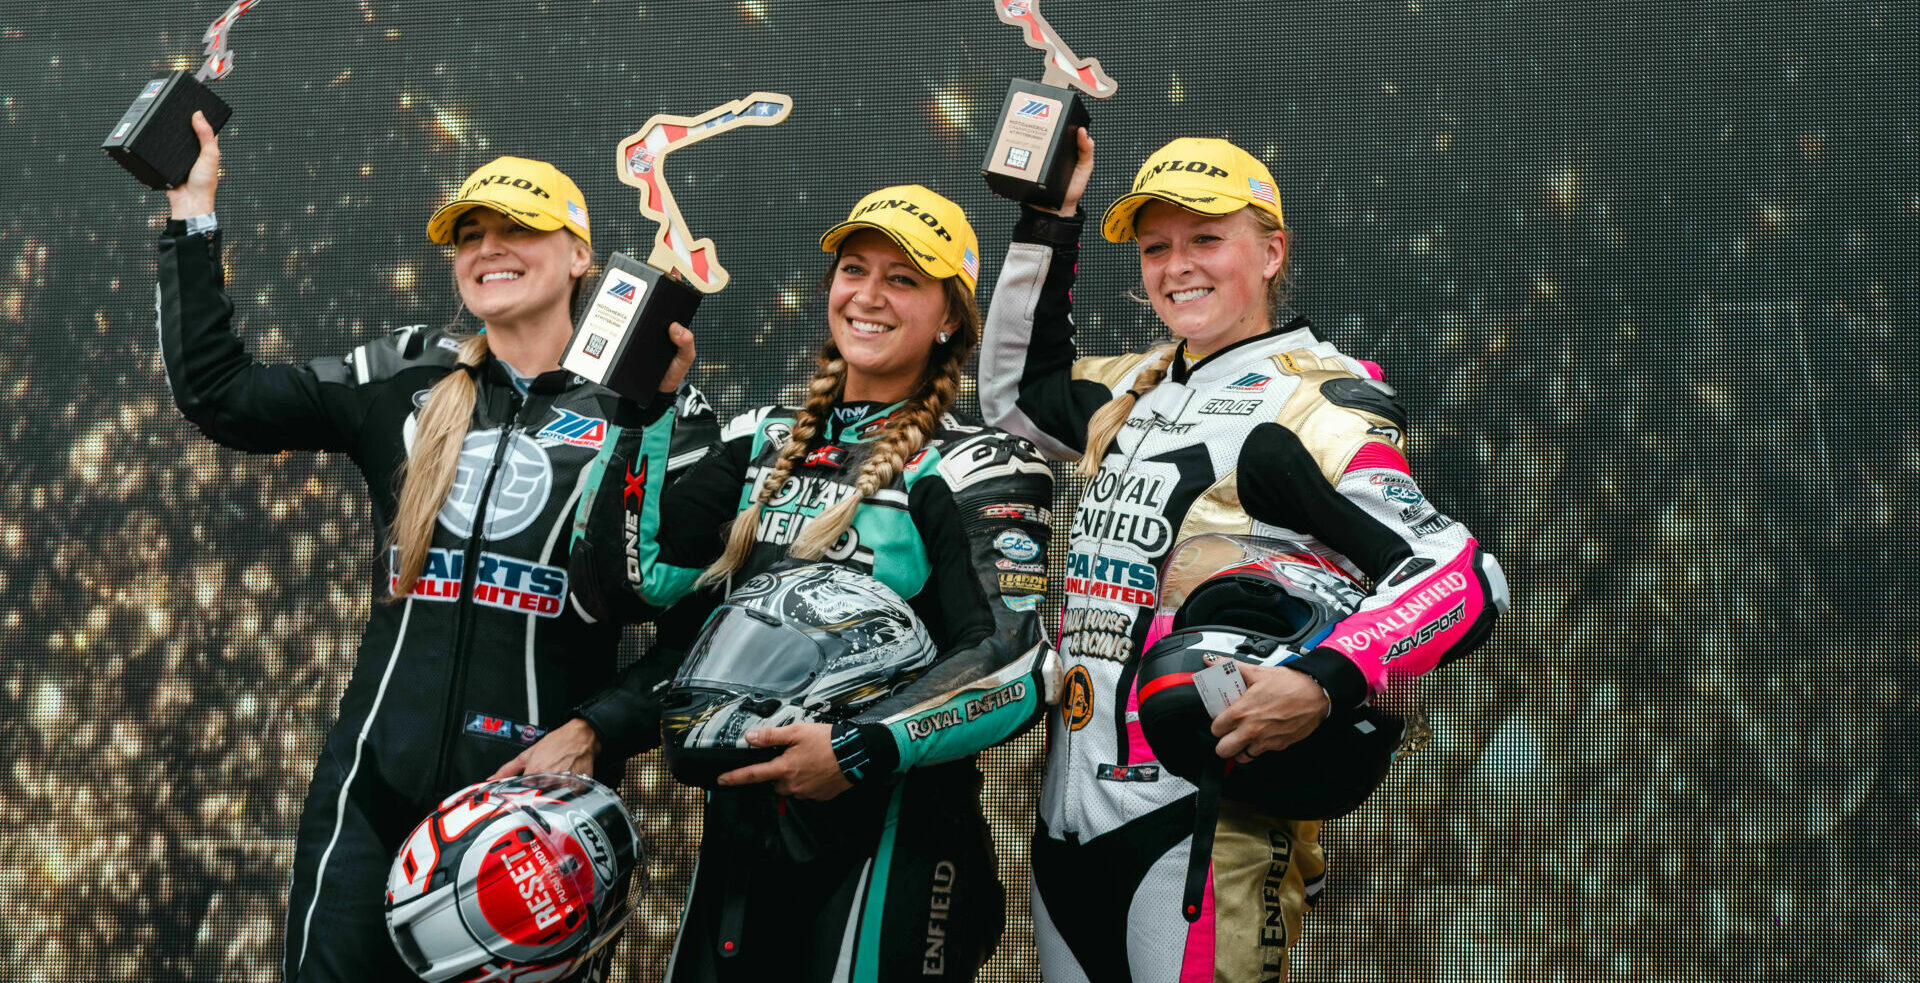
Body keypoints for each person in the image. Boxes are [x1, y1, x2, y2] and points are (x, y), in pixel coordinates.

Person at [154, 112, 714, 981]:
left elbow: (702, 626)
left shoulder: (653, 408)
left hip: (534, 817)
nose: (490, 248)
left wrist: (597, 730)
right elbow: (221, 395)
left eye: (519, 229)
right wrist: (193, 210)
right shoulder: (410, 373)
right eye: (470, 234)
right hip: (368, 793)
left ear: (579, 255)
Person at [978, 133, 1510, 981]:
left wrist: (1325, 678)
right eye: (1157, 247)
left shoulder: (1323, 396)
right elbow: (1012, 394)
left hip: (1208, 815)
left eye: (1205, 239)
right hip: (1069, 816)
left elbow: (1462, 576)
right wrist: (1052, 219)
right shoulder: (1134, 385)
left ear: (1270, 251)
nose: (1177, 265)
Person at [569, 184, 1058, 982]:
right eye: (854, 269)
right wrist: (647, 409)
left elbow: (1016, 660)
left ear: (950, 319)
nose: (868, 295)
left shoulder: (975, 462)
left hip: (896, 842)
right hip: (743, 834)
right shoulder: (759, 438)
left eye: (903, 279)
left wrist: (859, 749)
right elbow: (630, 584)